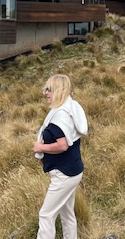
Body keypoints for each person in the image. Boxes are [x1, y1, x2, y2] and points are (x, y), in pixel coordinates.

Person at [33, 74, 88, 239]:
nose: (45, 93)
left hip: (64, 175)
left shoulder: (60, 117)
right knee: (67, 214)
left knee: (46, 215)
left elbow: (62, 145)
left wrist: (40, 147)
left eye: (49, 89)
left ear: (58, 90)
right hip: (73, 171)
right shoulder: (70, 108)